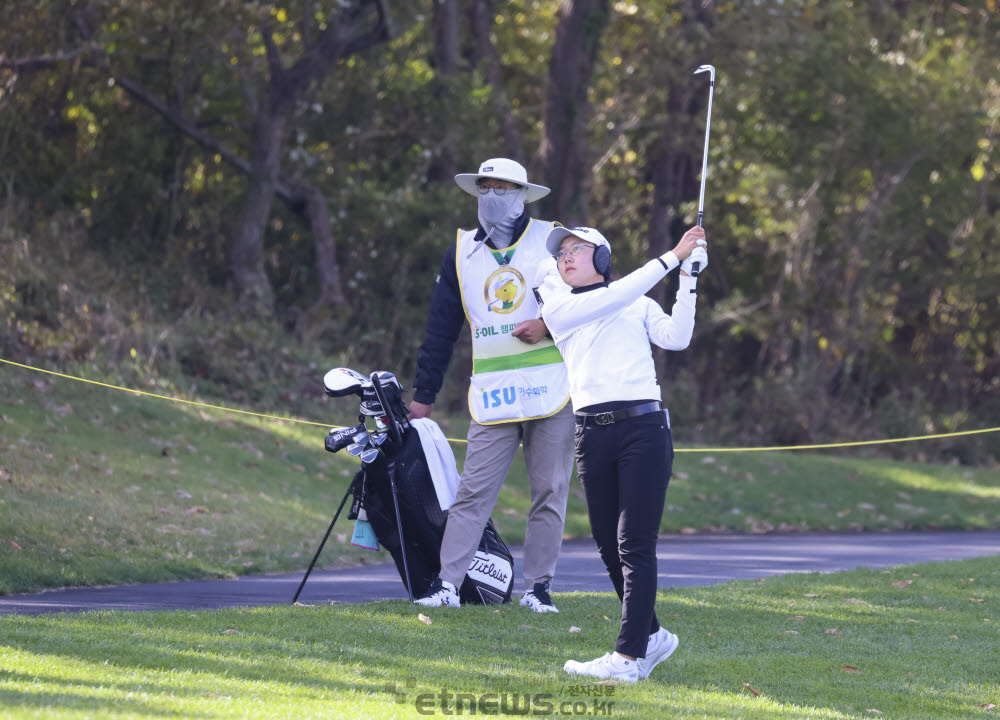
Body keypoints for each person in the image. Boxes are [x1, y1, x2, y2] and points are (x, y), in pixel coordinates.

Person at [535, 223, 708, 682]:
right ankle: (653, 638)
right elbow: (611, 298)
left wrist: (688, 278)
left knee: (634, 545)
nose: (566, 257)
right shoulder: (558, 305)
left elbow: (677, 337)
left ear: (605, 258)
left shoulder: (637, 300)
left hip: (642, 429)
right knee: (608, 544)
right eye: (562, 253)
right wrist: (671, 257)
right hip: (591, 433)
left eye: (577, 248)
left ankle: (628, 659)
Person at [409, 158, 575, 612]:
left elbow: (590, 297)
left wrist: (545, 324)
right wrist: (424, 396)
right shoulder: (461, 250)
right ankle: (447, 586)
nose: (491, 197)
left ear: (523, 196)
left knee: (549, 491)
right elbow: (441, 328)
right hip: (494, 393)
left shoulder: (554, 240)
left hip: (551, 388)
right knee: (471, 493)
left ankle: (538, 589)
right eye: (484, 188)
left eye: (502, 189)